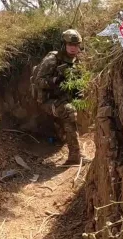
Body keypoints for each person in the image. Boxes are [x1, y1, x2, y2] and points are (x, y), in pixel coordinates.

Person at [33, 29, 90, 165]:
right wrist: (56, 80)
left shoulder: (77, 61)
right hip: (48, 101)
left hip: (64, 99)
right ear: (64, 45)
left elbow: (79, 83)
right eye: (70, 44)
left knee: (80, 106)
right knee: (69, 111)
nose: (73, 48)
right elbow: (38, 82)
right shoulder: (52, 59)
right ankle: (75, 156)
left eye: (76, 45)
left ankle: (64, 136)